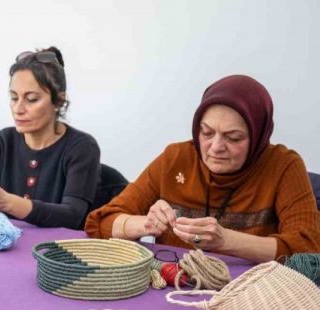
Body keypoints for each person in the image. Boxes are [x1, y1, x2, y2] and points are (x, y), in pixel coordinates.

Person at [85, 75, 320, 262]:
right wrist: (144, 224)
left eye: (234, 137)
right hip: (175, 289)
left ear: (258, 136)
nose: (216, 147)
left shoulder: (283, 166)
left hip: (251, 298)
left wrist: (225, 241)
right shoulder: (175, 159)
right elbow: (100, 222)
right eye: (207, 133)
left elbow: (309, 249)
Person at [0, 47, 100, 230]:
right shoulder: (2, 142)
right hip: (11, 248)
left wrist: (7, 202)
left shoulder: (82, 148)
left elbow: (73, 216)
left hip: (57, 253)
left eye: (31, 99)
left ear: (59, 101)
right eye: (14, 98)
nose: (18, 109)